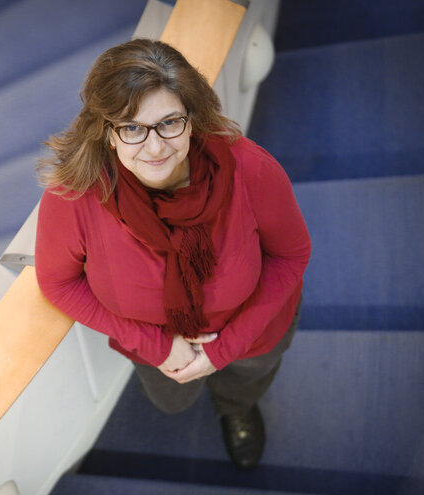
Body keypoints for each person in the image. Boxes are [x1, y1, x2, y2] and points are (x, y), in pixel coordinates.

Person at [35, 39, 310, 470]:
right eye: (132, 128)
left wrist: (224, 350)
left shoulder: (248, 168)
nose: (156, 147)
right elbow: (57, 281)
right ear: (107, 132)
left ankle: (236, 409)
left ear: (191, 117)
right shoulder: (75, 197)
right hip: (159, 352)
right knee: (172, 401)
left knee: (248, 380)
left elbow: (290, 256)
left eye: (169, 123)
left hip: (255, 332)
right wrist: (157, 346)